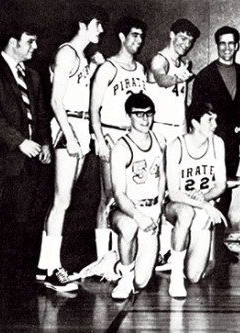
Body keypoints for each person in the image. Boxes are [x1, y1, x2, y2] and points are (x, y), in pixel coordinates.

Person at [36, 6, 107, 292]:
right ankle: (55, 271)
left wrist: (96, 64)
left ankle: (44, 265)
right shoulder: (66, 54)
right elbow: (55, 102)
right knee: (62, 200)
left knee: (61, 200)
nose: (101, 30)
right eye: (97, 25)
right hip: (68, 127)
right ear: (82, 24)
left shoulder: (82, 57)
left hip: (79, 126)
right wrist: (70, 136)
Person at [0, 22, 51, 293]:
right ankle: (2, 286)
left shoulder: (34, 76)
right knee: (3, 226)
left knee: (27, 223)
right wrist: (19, 143)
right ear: (13, 42)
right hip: (3, 164)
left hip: (31, 164)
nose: (35, 47)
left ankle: (22, 284)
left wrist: (45, 143)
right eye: (30, 41)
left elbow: (40, 117)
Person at [89, 16, 147, 269]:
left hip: (133, 138)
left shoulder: (141, 69)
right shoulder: (108, 68)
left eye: (141, 36)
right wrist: (100, 139)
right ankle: (103, 258)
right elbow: (93, 108)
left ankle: (121, 254)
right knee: (109, 197)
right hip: (112, 136)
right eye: (134, 35)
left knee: (128, 196)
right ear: (122, 37)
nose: (138, 40)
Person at [191, 26, 240, 264]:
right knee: (208, 189)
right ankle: (200, 245)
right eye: (222, 44)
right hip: (211, 142)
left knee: (224, 191)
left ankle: (217, 244)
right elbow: (195, 111)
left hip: (233, 143)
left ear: (236, 46)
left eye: (231, 43)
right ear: (217, 46)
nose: (227, 48)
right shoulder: (205, 75)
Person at [147, 18, 200, 271]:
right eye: (181, 38)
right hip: (159, 131)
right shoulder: (160, 60)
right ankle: (151, 249)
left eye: (189, 40)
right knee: (156, 189)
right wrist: (178, 76)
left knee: (174, 190)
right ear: (171, 35)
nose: (185, 44)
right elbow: (161, 79)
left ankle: (167, 251)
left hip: (177, 131)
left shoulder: (184, 63)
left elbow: (184, 101)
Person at [164, 102, 227, 298]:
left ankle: (174, 256)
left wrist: (205, 197)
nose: (215, 124)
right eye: (210, 120)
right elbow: (174, 192)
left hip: (202, 211)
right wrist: (203, 204)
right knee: (186, 211)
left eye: (215, 119)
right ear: (194, 123)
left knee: (194, 276)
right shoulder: (176, 145)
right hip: (177, 208)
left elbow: (221, 185)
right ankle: (175, 276)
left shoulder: (217, 143)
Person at [109, 92, 165, 300]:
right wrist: (138, 216)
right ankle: (123, 278)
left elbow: (163, 176)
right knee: (130, 227)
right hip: (126, 209)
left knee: (141, 281)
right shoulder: (121, 147)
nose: (145, 119)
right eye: (139, 114)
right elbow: (119, 193)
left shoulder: (159, 140)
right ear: (128, 117)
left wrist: (158, 207)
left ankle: (115, 264)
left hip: (151, 209)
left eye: (149, 114)